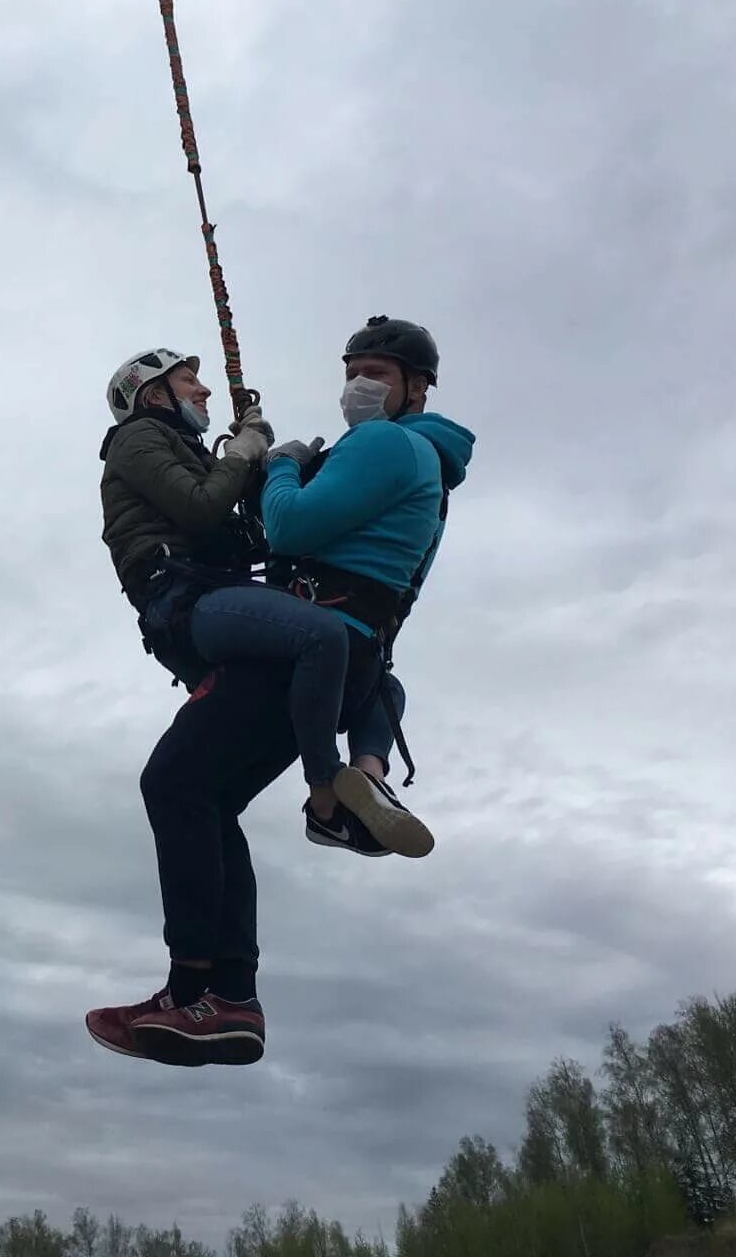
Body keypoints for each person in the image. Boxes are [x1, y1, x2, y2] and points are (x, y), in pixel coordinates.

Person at [87, 318, 475, 1067]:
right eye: (353, 370)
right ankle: (230, 993)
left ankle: (206, 982)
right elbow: (257, 526)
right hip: (298, 629)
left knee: (175, 785)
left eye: (378, 373)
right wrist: (257, 469)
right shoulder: (425, 459)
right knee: (200, 795)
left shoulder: (386, 445)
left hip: (295, 635)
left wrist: (274, 465)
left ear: (416, 387)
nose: (359, 385)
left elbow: (284, 528)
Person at [99, 349, 393, 815]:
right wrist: (239, 455)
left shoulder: (186, 449)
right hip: (181, 600)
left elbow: (245, 535)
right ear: (155, 395)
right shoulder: (136, 438)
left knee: (376, 675)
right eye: (188, 380)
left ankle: (372, 780)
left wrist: (273, 471)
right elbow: (200, 507)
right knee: (321, 634)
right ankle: (326, 790)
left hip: (215, 594)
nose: (204, 388)